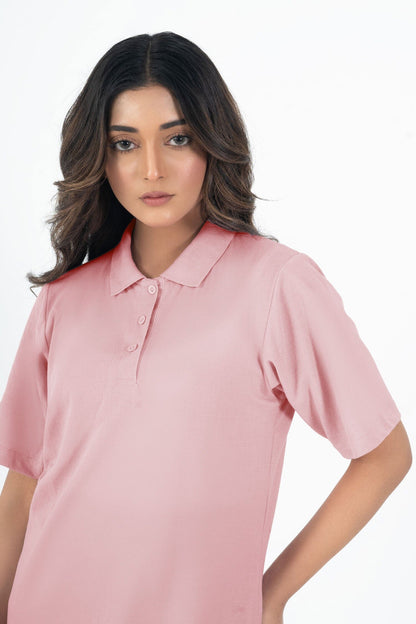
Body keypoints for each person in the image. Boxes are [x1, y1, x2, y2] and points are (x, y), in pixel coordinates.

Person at [0, 31, 412, 624]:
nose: (151, 169)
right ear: (100, 157)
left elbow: (384, 454)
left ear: (213, 141)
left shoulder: (277, 284)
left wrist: (272, 594)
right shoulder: (62, 302)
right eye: (124, 143)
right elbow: (23, 488)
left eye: (178, 138)